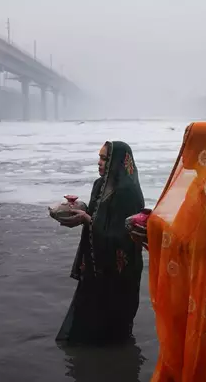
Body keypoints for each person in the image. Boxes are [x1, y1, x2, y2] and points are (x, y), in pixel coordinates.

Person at [141, 122, 206, 381]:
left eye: (188, 144)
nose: (183, 152)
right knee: (199, 338)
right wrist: (157, 226)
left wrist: (155, 233)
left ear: (202, 148)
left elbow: (202, 244)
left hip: (197, 282)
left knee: (192, 340)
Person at [56, 141, 145, 345]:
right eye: (100, 157)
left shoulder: (128, 192)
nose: (99, 162)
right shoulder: (100, 185)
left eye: (104, 158)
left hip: (119, 270)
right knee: (88, 321)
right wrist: (79, 210)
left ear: (118, 162)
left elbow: (123, 234)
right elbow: (98, 216)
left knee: (114, 329)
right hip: (95, 263)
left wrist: (88, 220)